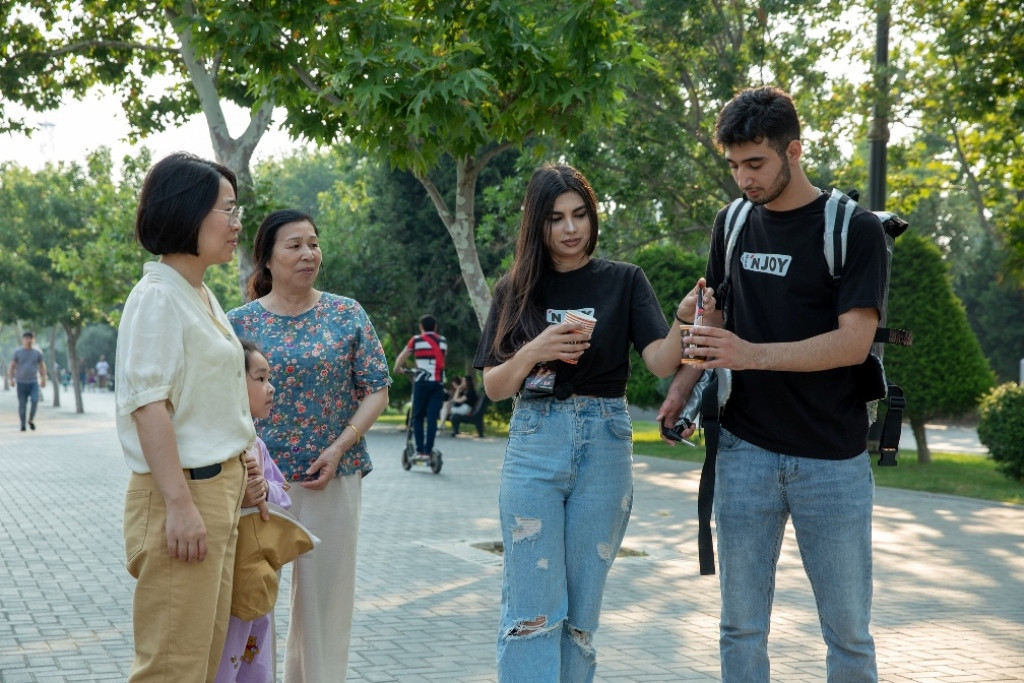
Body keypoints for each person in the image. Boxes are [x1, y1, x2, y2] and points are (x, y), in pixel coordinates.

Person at [657, 86, 886, 682]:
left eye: (755, 163)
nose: (744, 179)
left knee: (848, 634)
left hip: (831, 459)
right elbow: (713, 318)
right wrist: (682, 387)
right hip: (744, 451)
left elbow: (853, 342)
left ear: (794, 150)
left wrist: (750, 355)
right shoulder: (731, 223)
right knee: (740, 628)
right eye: (734, 165)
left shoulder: (853, 229)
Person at [473, 162, 688, 682]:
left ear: (593, 216)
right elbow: (495, 387)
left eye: (580, 214)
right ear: (537, 224)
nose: (571, 228)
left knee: (581, 618)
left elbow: (661, 362)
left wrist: (685, 319)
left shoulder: (625, 280)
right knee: (532, 613)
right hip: (535, 441)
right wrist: (537, 349)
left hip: (605, 443)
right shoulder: (515, 289)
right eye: (556, 218)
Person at [228, 208, 390, 682]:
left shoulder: (347, 313)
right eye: (295, 245)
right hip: (256, 485)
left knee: (325, 604)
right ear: (267, 258)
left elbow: (377, 388)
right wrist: (244, 468)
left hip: (331, 476)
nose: (308, 254)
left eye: (314, 244)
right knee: (251, 599)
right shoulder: (237, 324)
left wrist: (341, 446)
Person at [115, 152, 254, 682]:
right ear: (187, 212)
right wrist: (178, 504)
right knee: (172, 668)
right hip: (185, 493)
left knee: (202, 661)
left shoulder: (198, 293)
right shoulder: (157, 297)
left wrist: (244, 464)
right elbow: (150, 406)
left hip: (215, 490)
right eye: (227, 209)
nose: (237, 223)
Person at [216, 339, 290, 683]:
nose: (270, 388)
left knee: (255, 654)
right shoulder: (217, 447)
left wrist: (263, 490)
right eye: (260, 379)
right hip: (225, 573)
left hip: (255, 573)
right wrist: (242, 496)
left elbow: (283, 495)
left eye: (269, 378)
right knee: (223, 656)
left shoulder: (256, 444)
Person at [393, 314, 448, 458]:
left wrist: (397, 368)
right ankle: (428, 451)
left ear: (421, 327)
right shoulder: (443, 341)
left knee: (417, 417)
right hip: (438, 383)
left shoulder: (416, 340)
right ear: (435, 327)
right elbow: (442, 360)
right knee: (432, 418)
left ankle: (420, 451)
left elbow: (402, 357)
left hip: (422, 382)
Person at [8, 331, 47, 432]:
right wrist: (11, 379)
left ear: (33, 340)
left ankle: (31, 419)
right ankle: (23, 424)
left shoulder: (37, 352)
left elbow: (42, 366)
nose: (28, 340)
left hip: (33, 382)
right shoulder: (17, 352)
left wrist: (44, 379)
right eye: (26, 338)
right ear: (23, 340)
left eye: (30, 338)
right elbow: (12, 366)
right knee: (22, 404)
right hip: (21, 382)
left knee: (35, 400)